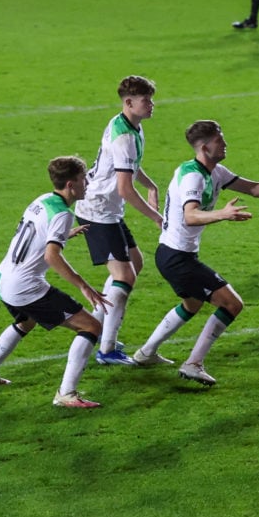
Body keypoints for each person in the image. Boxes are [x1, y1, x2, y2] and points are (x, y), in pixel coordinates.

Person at [133, 120, 259, 386]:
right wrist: (223, 214)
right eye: (220, 140)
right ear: (206, 147)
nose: (225, 143)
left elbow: (253, 188)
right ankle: (193, 364)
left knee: (192, 304)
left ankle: (146, 353)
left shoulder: (215, 171)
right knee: (232, 304)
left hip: (174, 254)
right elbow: (190, 215)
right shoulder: (193, 176)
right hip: (176, 257)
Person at [0, 156, 109, 408]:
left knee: (26, 321)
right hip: (25, 287)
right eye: (83, 179)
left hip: (3, 278)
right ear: (71, 184)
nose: (87, 183)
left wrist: (65, 234)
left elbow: (34, 233)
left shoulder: (42, 201)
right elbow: (51, 255)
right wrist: (83, 285)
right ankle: (66, 394)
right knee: (91, 327)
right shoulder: (63, 214)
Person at [74, 76, 163, 366]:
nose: (151, 104)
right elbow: (125, 188)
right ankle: (107, 349)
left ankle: (99, 327)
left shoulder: (128, 125)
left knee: (134, 264)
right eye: (146, 100)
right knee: (125, 277)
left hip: (107, 209)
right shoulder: (124, 135)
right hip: (98, 211)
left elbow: (131, 168)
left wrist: (151, 185)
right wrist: (158, 218)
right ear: (129, 103)